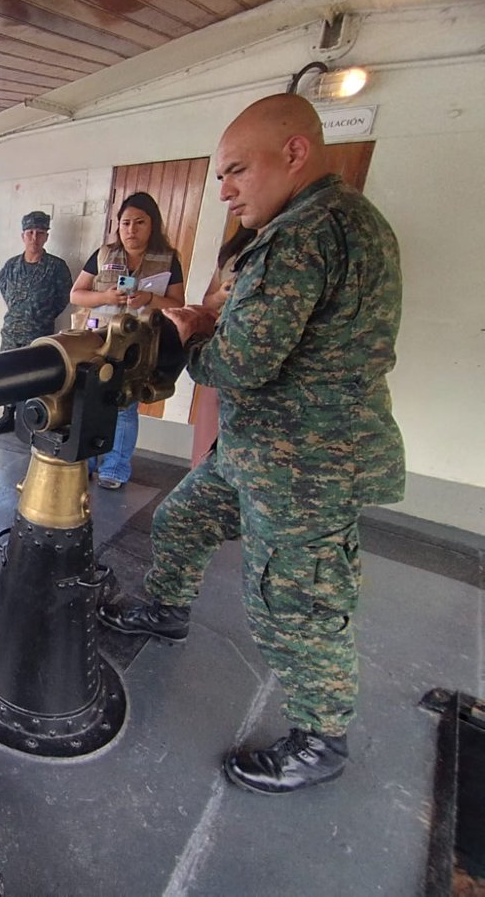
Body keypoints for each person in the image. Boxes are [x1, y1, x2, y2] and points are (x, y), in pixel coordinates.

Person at [99, 94, 405, 795]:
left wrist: (189, 334)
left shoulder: (301, 234)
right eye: (219, 178)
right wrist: (216, 317)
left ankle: (320, 736)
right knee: (181, 520)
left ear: (294, 153)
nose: (227, 188)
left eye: (237, 170)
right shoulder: (343, 220)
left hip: (306, 467)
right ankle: (168, 610)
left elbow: (241, 363)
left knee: (293, 601)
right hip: (261, 450)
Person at [69, 192, 186, 487]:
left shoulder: (168, 259)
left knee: (125, 406)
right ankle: (87, 460)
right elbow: (76, 294)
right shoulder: (104, 254)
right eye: (125, 223)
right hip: (97, 342)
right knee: (90, 402)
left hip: (138, 348)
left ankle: (115, 468)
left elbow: (177, 304)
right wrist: (105, 296)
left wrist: (149, 298)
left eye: (139, 223)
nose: (131, 230)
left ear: (152, 225)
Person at [0, 210, 74, 435]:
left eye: (40, 233)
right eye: (30, 233)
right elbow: (5, 291)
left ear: (47, 236)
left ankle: (30, 420)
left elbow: (64, 298)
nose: (34, 238)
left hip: (39, 333)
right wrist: (21, 314)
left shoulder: (56, 268)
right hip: (11, 333)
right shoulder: (10, 267)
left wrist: (40, 315)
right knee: (7, 376)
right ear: (23, 235)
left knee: (34, 379)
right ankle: (8, 416)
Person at [189, 225, 257, 467]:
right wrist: (221, 295)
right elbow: (208, 301)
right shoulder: (232, 252)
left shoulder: (284, 249)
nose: (227, 192)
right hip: (221, 344)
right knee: (209, 424)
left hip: (255, 355)